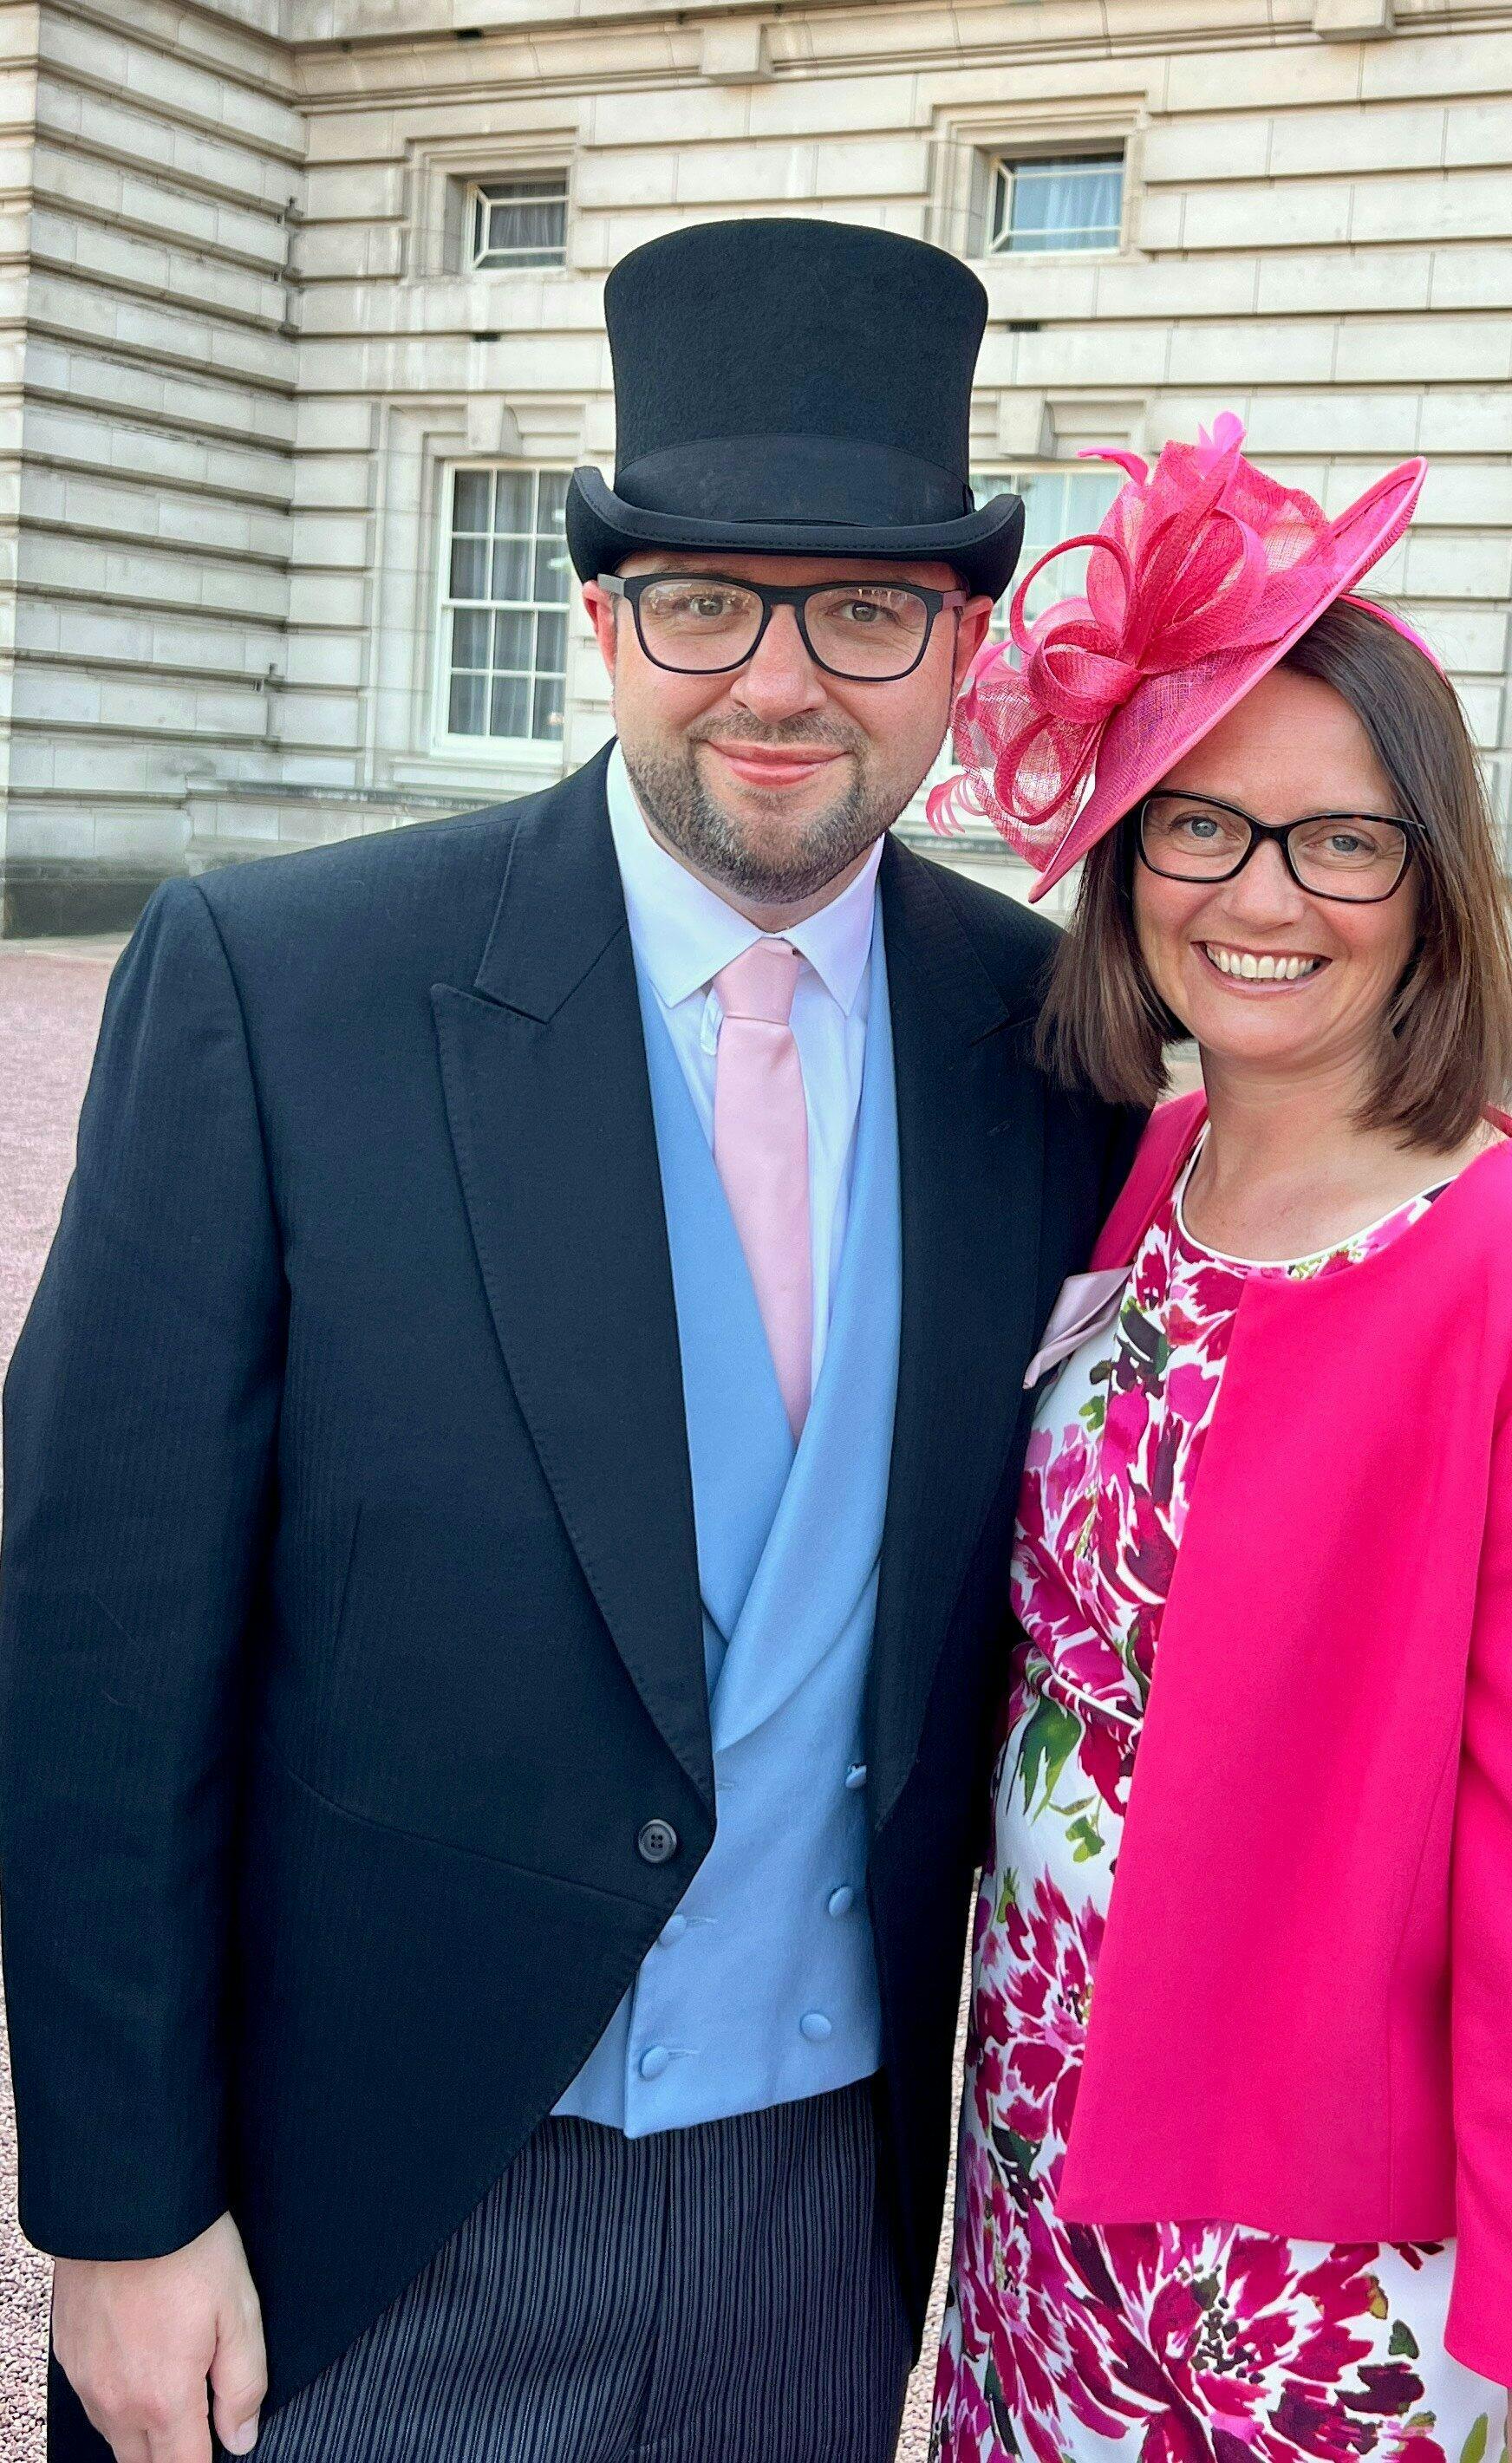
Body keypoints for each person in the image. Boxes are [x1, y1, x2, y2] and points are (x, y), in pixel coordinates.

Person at [0, 218, 1137, 2463]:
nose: (779, 683)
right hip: (367, 2218)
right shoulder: (281, 986)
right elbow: (99, 1640)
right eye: (705, 602)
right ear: (603, 620)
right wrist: (120, 2213)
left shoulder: (1051, 1041)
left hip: (816, 2233)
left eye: (864, 612)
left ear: (960, 646)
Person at [922, 418, 1512, 2463]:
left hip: (1312, 2272)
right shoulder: (1144, 1177)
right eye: (1199, 823)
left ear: (1429, 879)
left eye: (1339, 840)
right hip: (1037, 2180)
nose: (1258, 893)